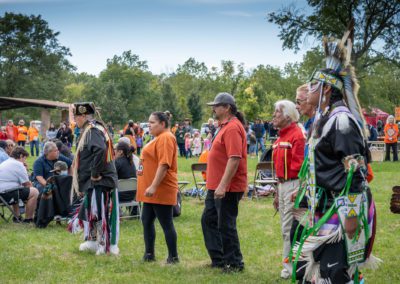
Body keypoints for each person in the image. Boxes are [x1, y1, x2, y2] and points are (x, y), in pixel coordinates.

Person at [291, 33, 378, 283]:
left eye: (312, 86)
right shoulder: (325, 120)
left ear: (327, 88)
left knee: (335, 273)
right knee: (309, 270)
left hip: (342, 211)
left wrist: (351, 217)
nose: (307, 92)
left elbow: (357, 172)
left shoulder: (341, 121)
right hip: (324, 206)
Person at [202, 92, 247, 272]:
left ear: (227, 107)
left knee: (226, 225)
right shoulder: (223, 126)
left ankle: (235, 263)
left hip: (227, 187)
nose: (213, 108)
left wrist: (222, 185)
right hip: (215, 186)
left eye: (216, 105)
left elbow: (234, 158)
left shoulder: (233, 127)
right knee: (208, 220)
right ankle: (219, 259)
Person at [71, 102, 119, 255]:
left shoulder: (92, 130)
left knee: (100, 212)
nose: (74, 120)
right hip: (92, 182)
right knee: (91, 212)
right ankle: (92, 240)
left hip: (100, 180)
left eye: (76, 117)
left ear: (83, 116)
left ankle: (106, 245)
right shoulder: (89, 130)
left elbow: (100, 150)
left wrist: (94, 174)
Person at [136, 111, 179, 264]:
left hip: (160, 189)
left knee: (166, 223)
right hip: (150, 191)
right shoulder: (158, 138)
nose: (149, 125)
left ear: (162, 124)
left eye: (152, 122)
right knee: (146, 221)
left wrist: (154, 186)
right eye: (148, 122)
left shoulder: (166, 137)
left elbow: (164, 164)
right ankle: (149, 254)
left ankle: (173, 257)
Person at [271, 100, 305, 279]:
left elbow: (301, 167)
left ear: (288, 115)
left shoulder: (297, 135)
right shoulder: (280, 138)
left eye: (277, 112)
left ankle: (291, 267)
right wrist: (277, 192)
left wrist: (299, 189)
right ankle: (290, 265)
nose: (274, 115)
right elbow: (278, 169)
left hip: (294, 184)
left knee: (290, 227)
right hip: (283, 185)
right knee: (285, 227)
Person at [0, 146, 39, 223]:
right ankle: (29, 218)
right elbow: (27, 184)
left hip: (2, 194)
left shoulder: (6, 162)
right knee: (34, 192)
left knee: (17, 188)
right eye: (25, 158)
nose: (25, 160)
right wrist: (25, 169)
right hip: (6, 194)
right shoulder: (18, 164)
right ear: (21, 156)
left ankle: (17, 217)